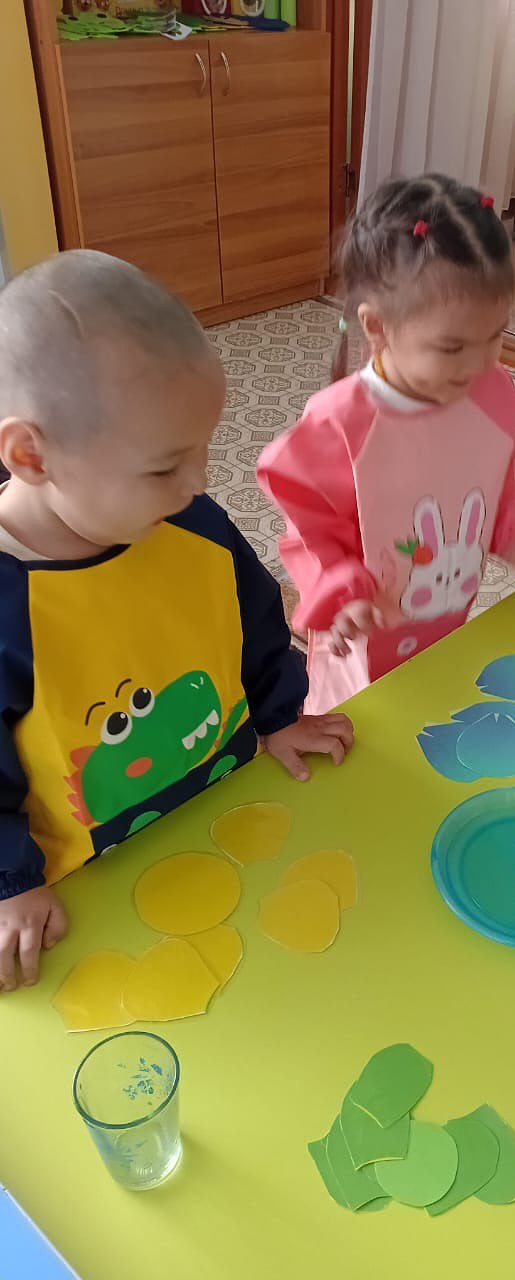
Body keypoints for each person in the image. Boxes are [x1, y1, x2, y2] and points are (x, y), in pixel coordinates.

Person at [0, 250, 353, 992]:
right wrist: (10, 882)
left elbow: (257, 623)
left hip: (232, 818)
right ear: (31, 455)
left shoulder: (192, 523)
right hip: (91, 890)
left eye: (202, 450)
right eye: (164, 467)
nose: (198, 482)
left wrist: (279, 716)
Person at [258, 173, 515, 713]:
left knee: (431, 704)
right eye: (452, 347)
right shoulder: (341, 421)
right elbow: (309, 525)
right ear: (377, 327)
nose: (478, 364)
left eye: (494, 337)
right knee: (362, 727)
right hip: (360, 633)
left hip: (445, 614)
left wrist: (512, 534)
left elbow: (497, 479)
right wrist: (342, 590)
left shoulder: (493, 394)